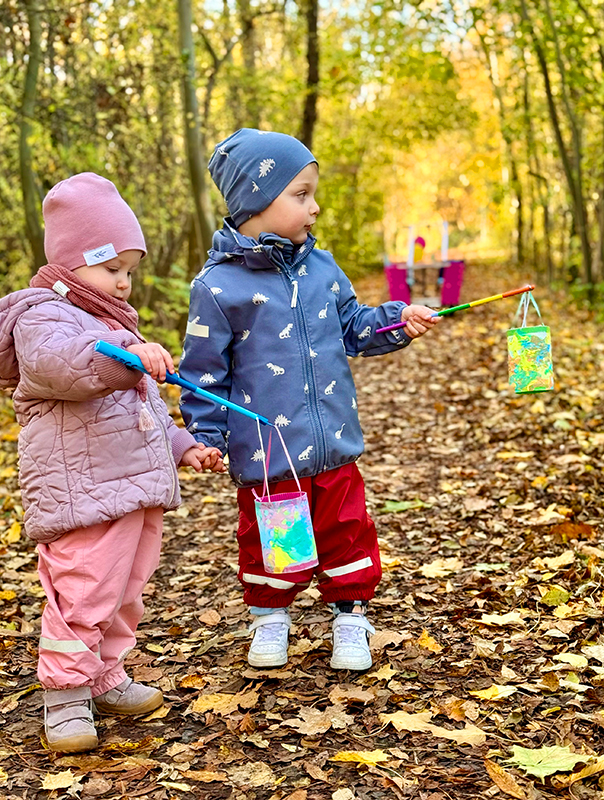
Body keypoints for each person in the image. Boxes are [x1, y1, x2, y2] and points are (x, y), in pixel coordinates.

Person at [180, 129, 439, 672]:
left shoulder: (321, 268)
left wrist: (396, 320)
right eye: (300, 194)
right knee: (276, 545)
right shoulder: (218, 287)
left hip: (334, 444)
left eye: (311, 193)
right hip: (270, 455)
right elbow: (203, 374)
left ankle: (350, 617)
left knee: (347, 533)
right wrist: (205, 436)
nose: (314, 206)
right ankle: (271, 619)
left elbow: (353, 325)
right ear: (256, 198)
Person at [0, 173, 213, 753]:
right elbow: (63, 367)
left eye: (129, 270)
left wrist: (183, 445)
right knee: (85, 590)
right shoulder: (43, 315)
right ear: (74, 262)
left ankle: (105, 674)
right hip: (82, 490)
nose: (122, 282)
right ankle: (65, 695)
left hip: (132, 488)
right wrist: (129, 356)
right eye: (111, 267)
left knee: (125, 592)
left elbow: (140, 409)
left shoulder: (110, 323)